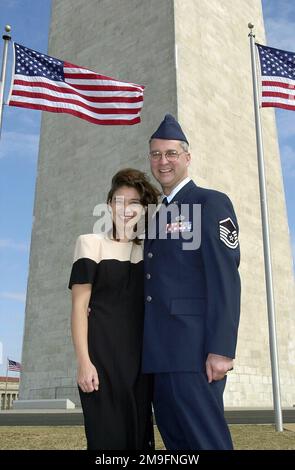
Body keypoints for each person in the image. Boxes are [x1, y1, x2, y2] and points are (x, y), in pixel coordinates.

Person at [142, 114, 241, 450]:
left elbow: (225, 277)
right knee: (178, 446)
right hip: (160, 355)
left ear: (187, 157)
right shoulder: (158, 215)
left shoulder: (209, 202)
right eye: (156, 155)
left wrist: (222, 349)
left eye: (171, 153)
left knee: (206, 443)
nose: (163, 161)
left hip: (194, 354)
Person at [68, 168, 159, 450]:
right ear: (109, 204)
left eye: (135, 203)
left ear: (143, 209)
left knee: (138, 441)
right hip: (101, 363)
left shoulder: (149, 251)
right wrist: (84, 362)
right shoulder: (90, 243)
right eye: (120, 201)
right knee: (106, 443)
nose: (127, 209)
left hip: (141, 364)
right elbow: (79, 308)